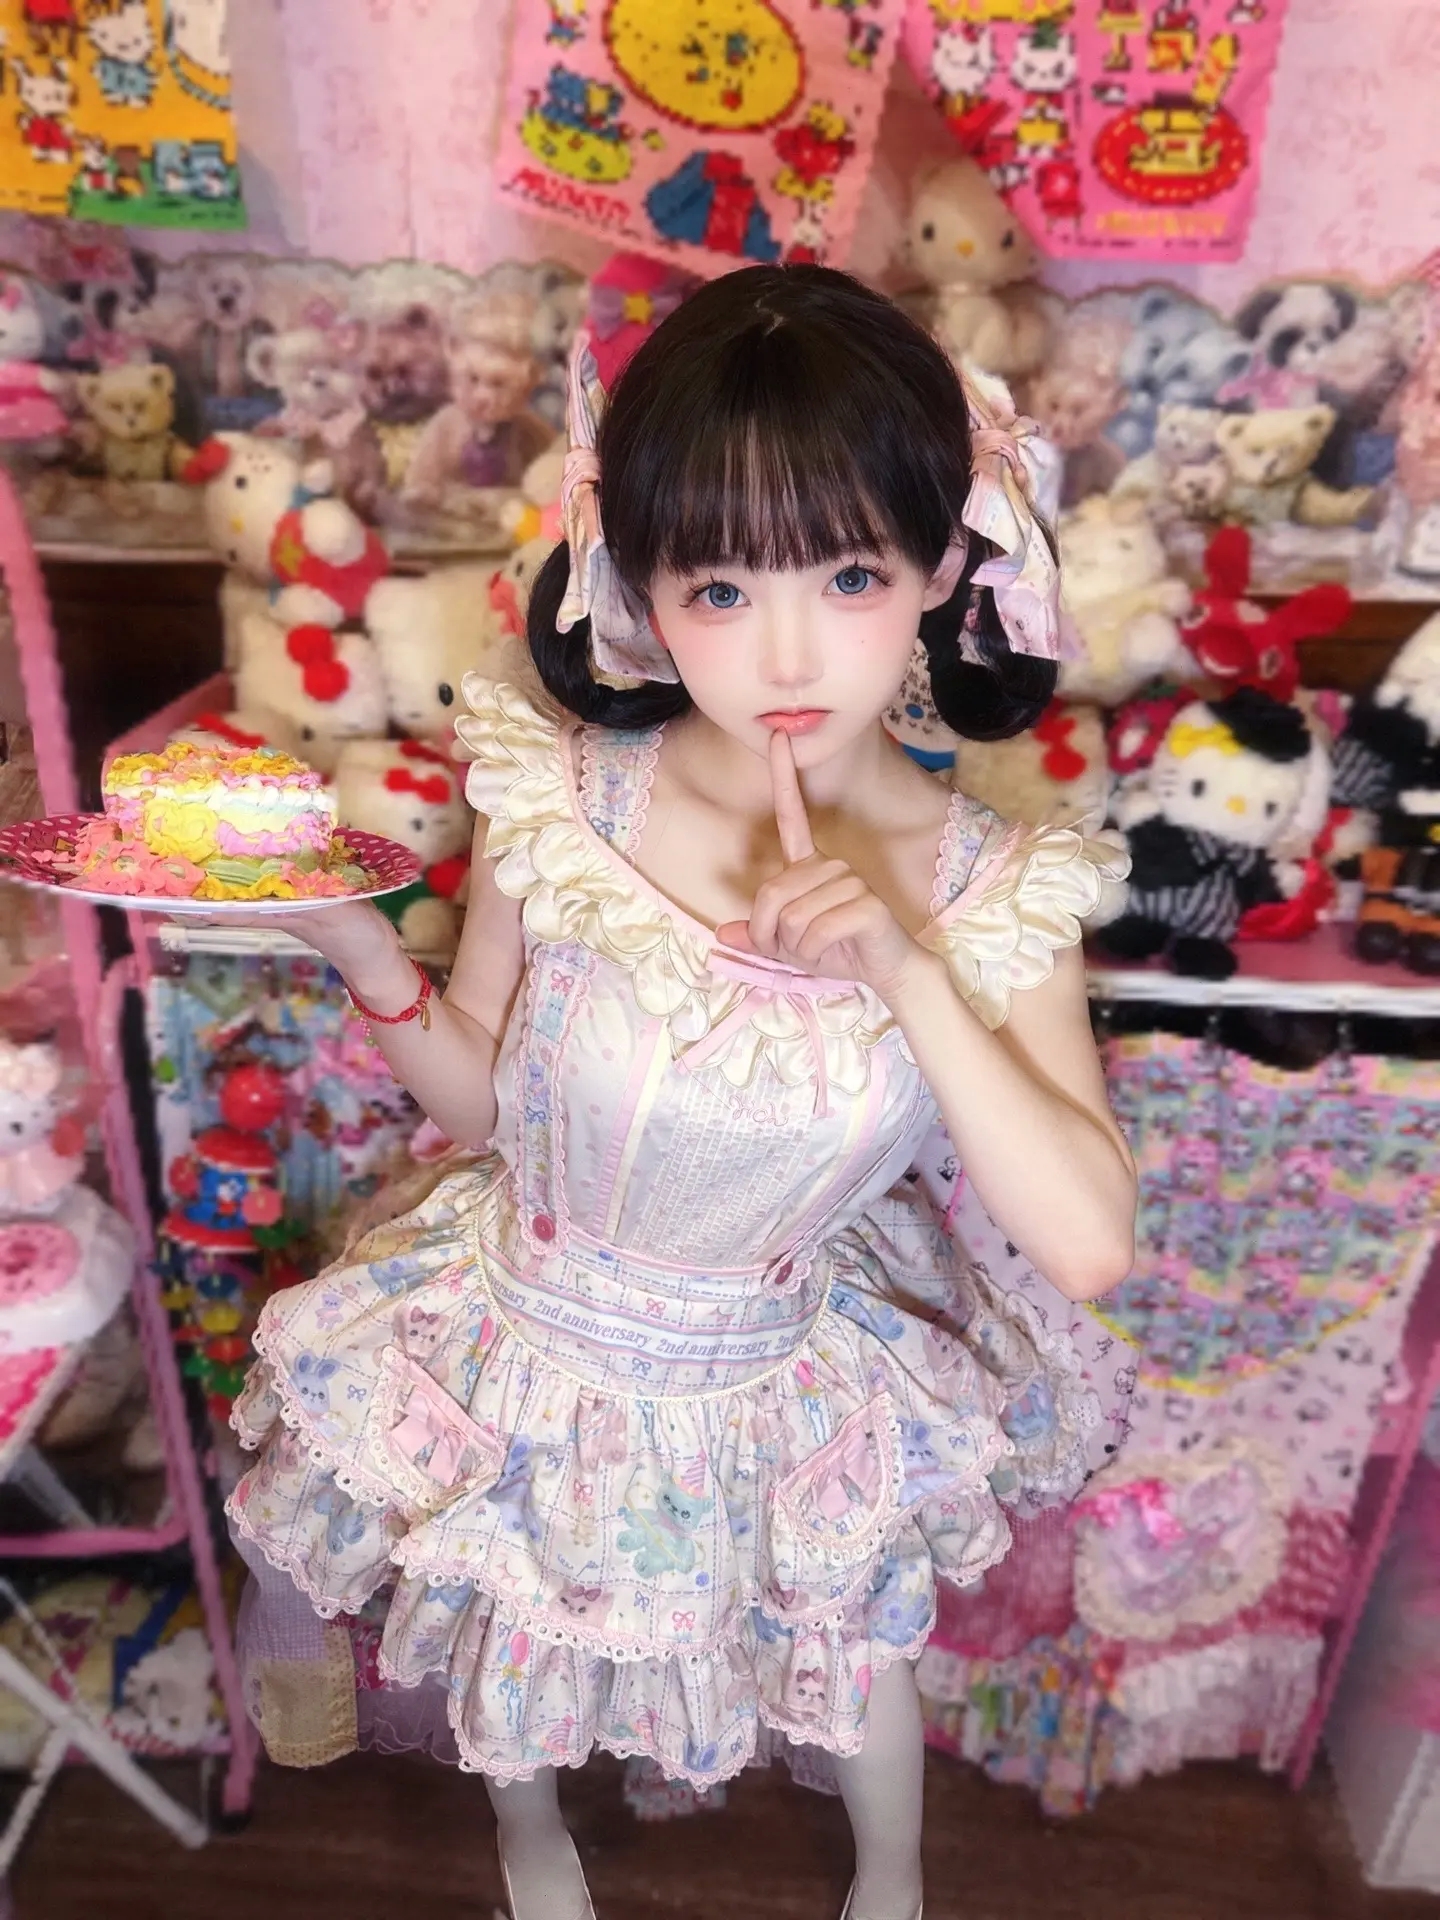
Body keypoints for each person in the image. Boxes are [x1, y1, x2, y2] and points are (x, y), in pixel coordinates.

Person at [225, 265, 1137, 1920]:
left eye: (850, 573)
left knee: (847, 1640)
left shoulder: (1000, 887)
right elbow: (483, 1112)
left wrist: (907, 967)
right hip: (521, 1318)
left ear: (943, 563)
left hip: (777, 1357)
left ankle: (893, 1884)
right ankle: (532, 1845)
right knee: (513, 1611)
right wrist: (355, 943)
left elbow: (1086, 1245)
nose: (787, 650)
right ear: (635, 583)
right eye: (719, 586)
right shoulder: (562, 798)